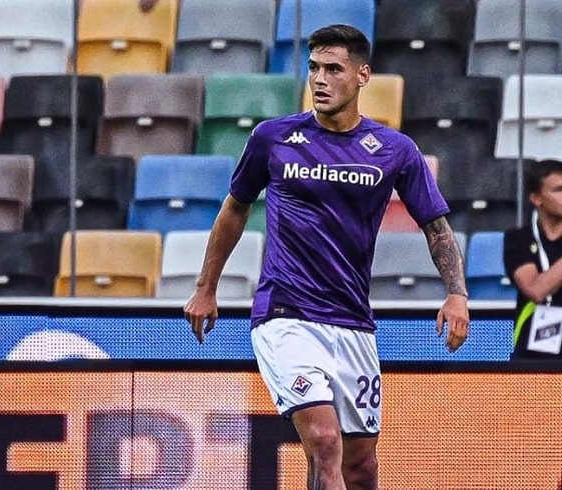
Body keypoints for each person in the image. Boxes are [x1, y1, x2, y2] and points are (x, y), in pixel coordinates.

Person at [183, 24, 470, 490]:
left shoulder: (395, 150)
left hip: (353, 323)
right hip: (285, 314)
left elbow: (436, 227)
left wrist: (456, 294)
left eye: (333, 69)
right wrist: (205, 286)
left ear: (362, 76)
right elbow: (234, 208)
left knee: (359, 467)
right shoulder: (272, 139)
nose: (319, 79)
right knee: (323, 441)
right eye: (314, 67)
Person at [504, 159, 562, 360]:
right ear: (536, 198)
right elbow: (536, 290)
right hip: (532, 357)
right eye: (558, 190)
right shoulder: (518, 239)